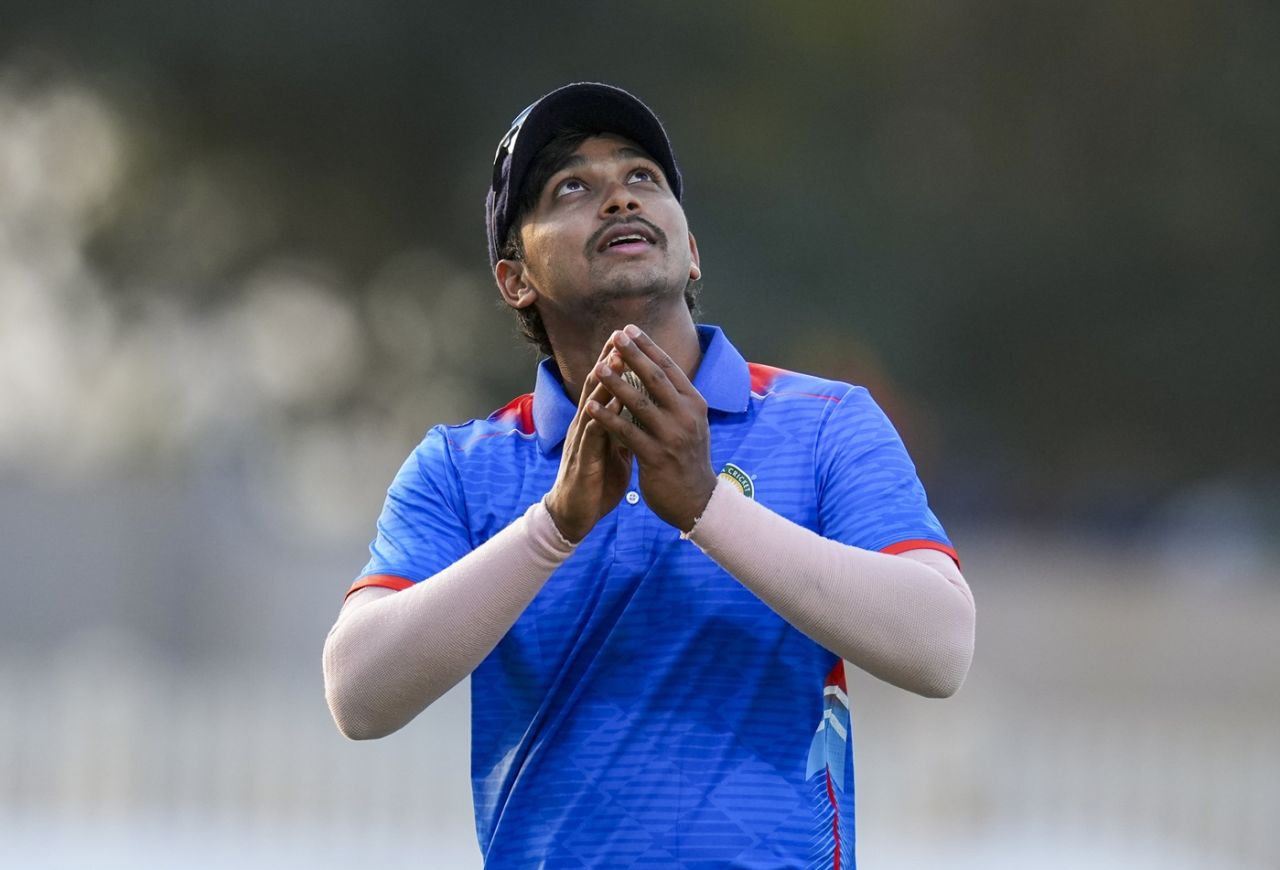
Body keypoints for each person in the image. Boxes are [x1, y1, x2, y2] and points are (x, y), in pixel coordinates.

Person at [323, 82, 975, 868]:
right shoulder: (461, 466)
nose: (619, 200)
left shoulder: (826, 421)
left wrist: (704, 505)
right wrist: (555, 525)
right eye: (571, 188)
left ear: (690, 247)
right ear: (514, 280)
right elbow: (358, 695)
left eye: (644, 179)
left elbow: (941, 647)